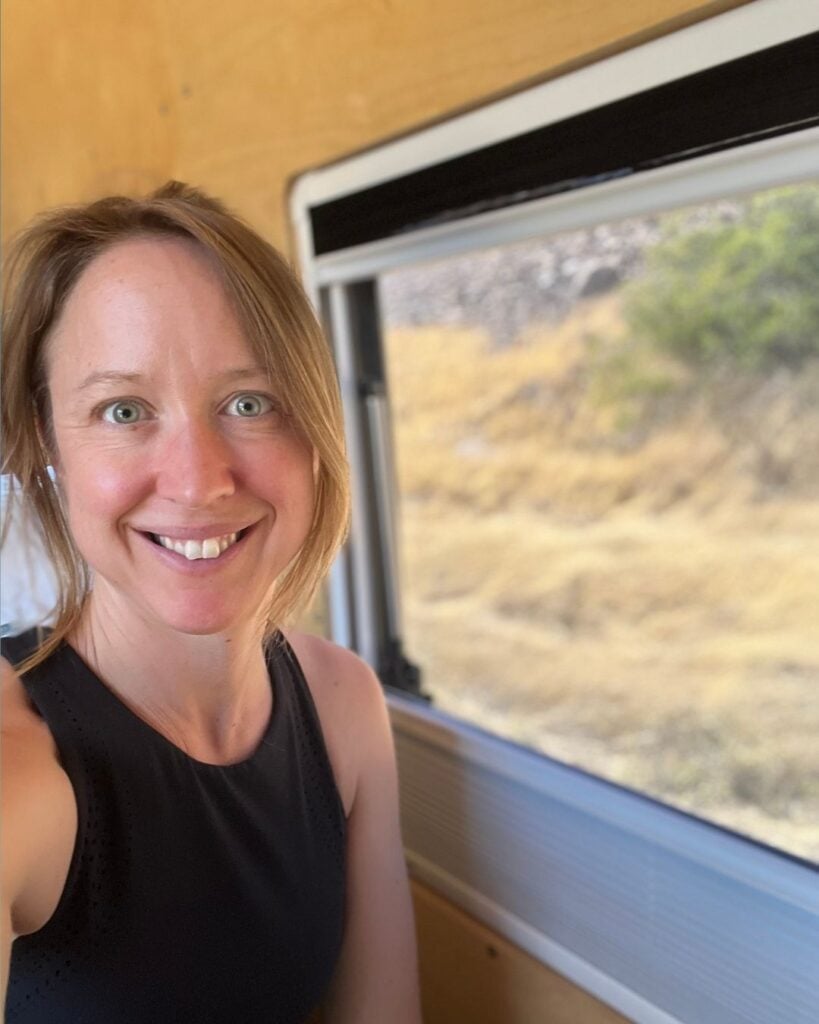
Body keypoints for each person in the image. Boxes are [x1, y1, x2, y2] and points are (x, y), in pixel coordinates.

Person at [0, 182, 422, 1023]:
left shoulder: (343, 704)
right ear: (46, 438)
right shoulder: (16, 765)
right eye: (123, 411)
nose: (198, 480)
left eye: (249, 403)